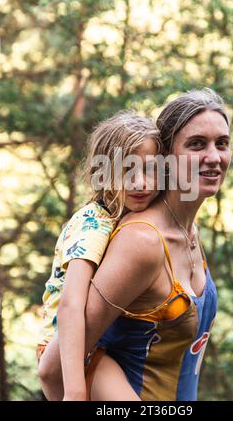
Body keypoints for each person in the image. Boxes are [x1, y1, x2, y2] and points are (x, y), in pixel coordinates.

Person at [83, 88, 232, 401]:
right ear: (165, 159)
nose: (214, 157)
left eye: (222, 143)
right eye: (196, 144)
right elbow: (59, 362)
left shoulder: (189, 229)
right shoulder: (142, 241)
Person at [37, 111, 162, 401]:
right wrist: (75, 391)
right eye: (126, 171)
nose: (140, 183)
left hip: (97, 345)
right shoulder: (93, 223)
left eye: (150, 170)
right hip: (68, 352)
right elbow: (70, 304)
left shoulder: (130, 217)